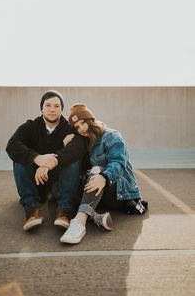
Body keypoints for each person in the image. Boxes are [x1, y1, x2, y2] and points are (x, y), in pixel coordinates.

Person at [60, 103, 148, 244]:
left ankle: (79, 223)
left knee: (97, 170)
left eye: (83, 123)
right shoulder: (86, 142)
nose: (81, 129)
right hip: (100, 192)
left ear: (90, 120)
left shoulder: (112, 136)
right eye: (77, 127)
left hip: (119, 192)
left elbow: (118, 163)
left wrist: (104, 177)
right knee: (65, 189)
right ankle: (96, 217)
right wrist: (67, 146)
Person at [6, 90, 87, 232]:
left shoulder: (69, 128)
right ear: (41, 108)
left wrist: (49, 163)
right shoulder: (30, 127)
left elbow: (79, 147)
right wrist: (37, 158)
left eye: (56, 106)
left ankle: (65, 211)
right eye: (48, 105)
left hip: (59, 185)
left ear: (62, 109)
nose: (52, 109)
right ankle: (32, 209)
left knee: (72, 158)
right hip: (36, 183)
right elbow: (12, 145)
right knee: (20, 158)